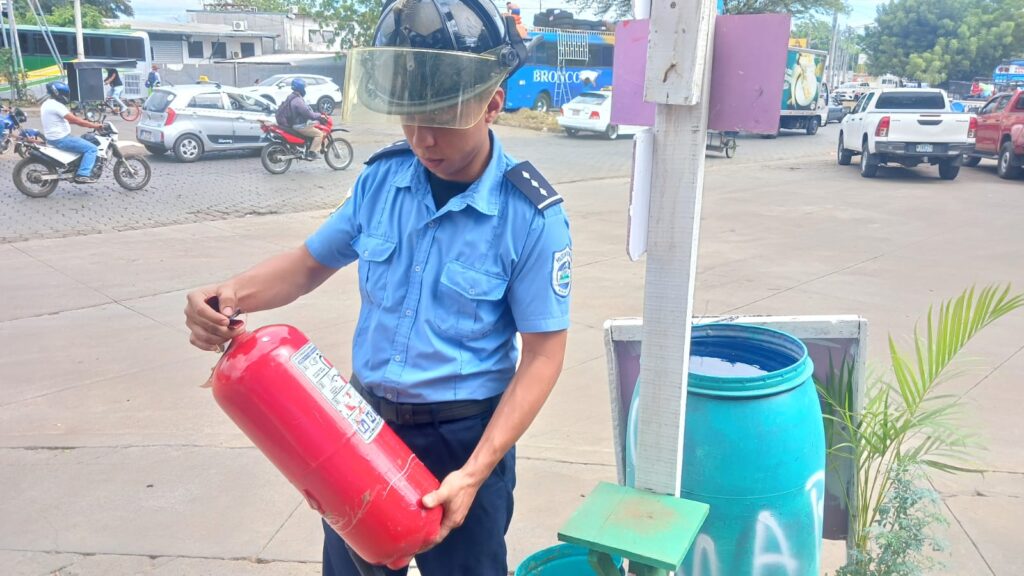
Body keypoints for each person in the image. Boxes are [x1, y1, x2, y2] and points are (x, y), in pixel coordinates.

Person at [183, 1, 570, 574]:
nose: (422, 139)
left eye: (441, 119)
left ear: (493, 102)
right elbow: (309, 263)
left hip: (464, 439)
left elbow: (543, 356)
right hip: (360, 428)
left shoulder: (531, 217)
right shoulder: (383, 182)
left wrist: (476, 470)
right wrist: (229, 295)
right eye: (409, 118)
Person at [41, 81, 104, 184]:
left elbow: (70, 120)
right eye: (65, 94)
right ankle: (83, 174)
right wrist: (95, 126)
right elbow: (76, 120)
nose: (66, 96)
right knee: (92, 149)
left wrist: (87, 122)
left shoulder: (47, 103)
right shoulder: (56, 105)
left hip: (53, 138)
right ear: (58, 93)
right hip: (61, 139)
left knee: (83, 140)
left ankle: (75, 166)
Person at [275, 78, 325, 159]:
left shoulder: (291, 96)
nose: (305, 90)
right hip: (299, 126)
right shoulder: (298, 100)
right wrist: (319, 115)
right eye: (304, 88)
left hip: (292, 123)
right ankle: (312, 153)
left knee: (312, 126)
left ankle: (307, 146)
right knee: (319, 134)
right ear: (301, 88)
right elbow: (309, 115)